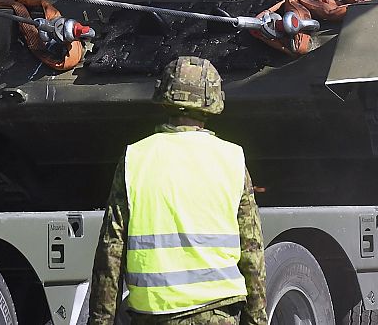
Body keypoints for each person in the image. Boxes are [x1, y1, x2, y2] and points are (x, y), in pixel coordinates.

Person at [86, 56, 268, 325]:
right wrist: (256, 320)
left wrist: (100, 321)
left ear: (164, 96)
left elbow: (111, 250)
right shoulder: (232, 159)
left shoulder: (136, 158)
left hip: (153, 315)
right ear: (213, 100)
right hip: (217, 315)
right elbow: (252, 251)